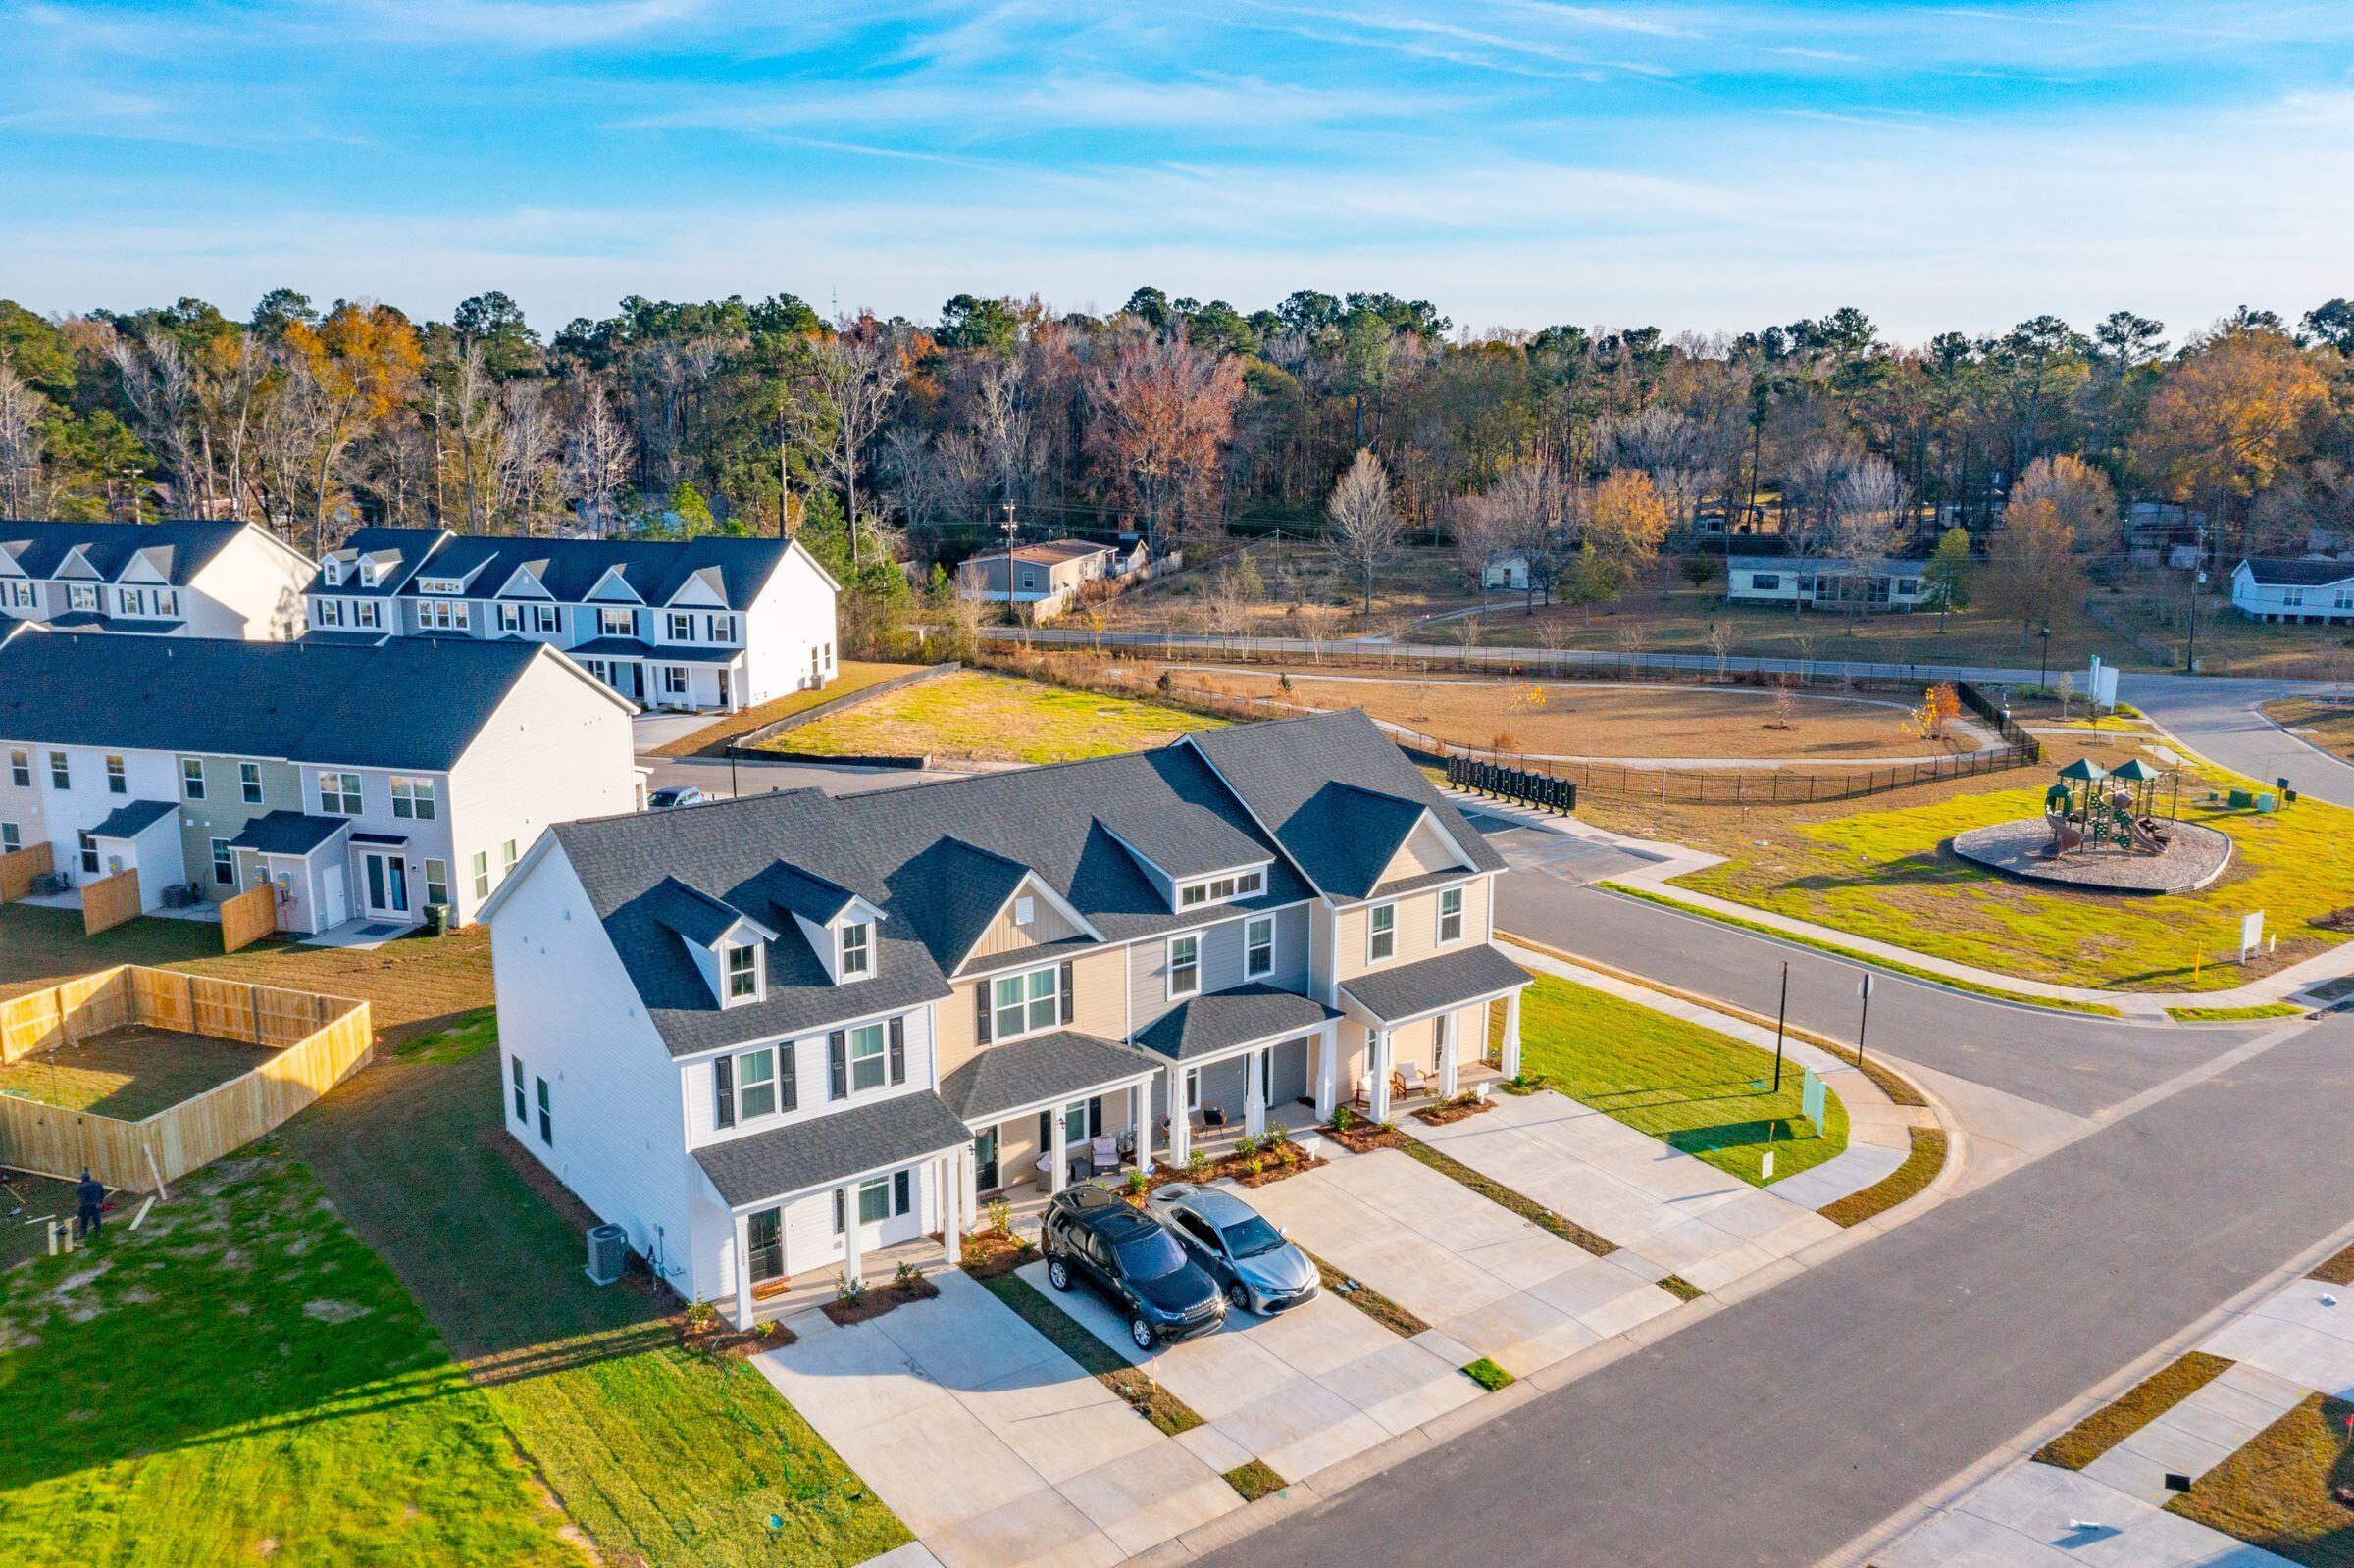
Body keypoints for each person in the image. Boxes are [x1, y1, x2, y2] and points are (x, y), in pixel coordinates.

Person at [75, 1169, 104, 1239]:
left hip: (86, 1206)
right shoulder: (97, 1183)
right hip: (96, 1205)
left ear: (83, 1179)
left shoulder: (82, 1186)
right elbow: (102, 1192)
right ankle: (98, 1233)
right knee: (96, 1219)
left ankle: (83, 1235)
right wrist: (100, 1201)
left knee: (84, 1220)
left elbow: (76, 1192)